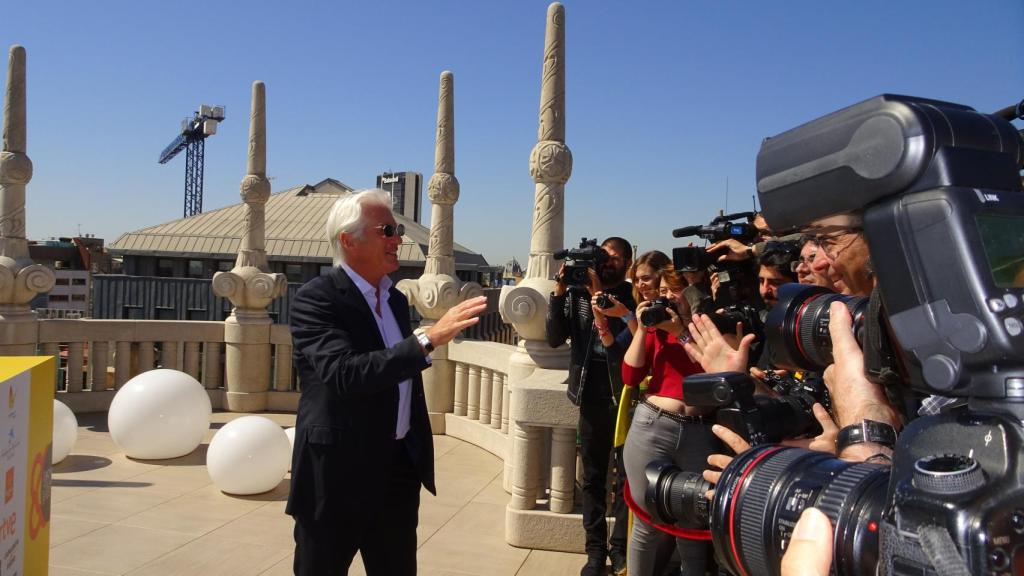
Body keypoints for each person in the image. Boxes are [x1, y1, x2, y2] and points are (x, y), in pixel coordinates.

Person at [287, 189, 487, 576]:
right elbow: (345, 374)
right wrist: (428, 338)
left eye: (396, 230)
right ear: (349, 240)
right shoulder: (317, 299)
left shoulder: (394, 299)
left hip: (395, 473)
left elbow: (396, 376)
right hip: (336, 476)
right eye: (387, 230)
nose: (398, 239)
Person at [547, 237, 636, 576]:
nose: (605, 263)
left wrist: (600, 294)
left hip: (625, 397)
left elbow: (624, 343)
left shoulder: (631, 297)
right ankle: (595, 552)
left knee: (627, 479)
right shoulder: (576, 296)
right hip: (591, 395)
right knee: (594, 478)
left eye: (612, 258)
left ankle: (620, 549)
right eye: (602, 258)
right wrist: (559, 291)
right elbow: (554, 337)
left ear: (627, 262)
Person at [620, 270, 719, 576]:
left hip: (698, 431)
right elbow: (630, 377)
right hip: (653, 425)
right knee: (647, 525)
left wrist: (680, 332)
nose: (665, 296)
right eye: (661, 290)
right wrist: (642, 328)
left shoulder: (711, 325)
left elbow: (714, 364)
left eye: (674, 290)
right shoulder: (656, 329)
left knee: (693, 523)